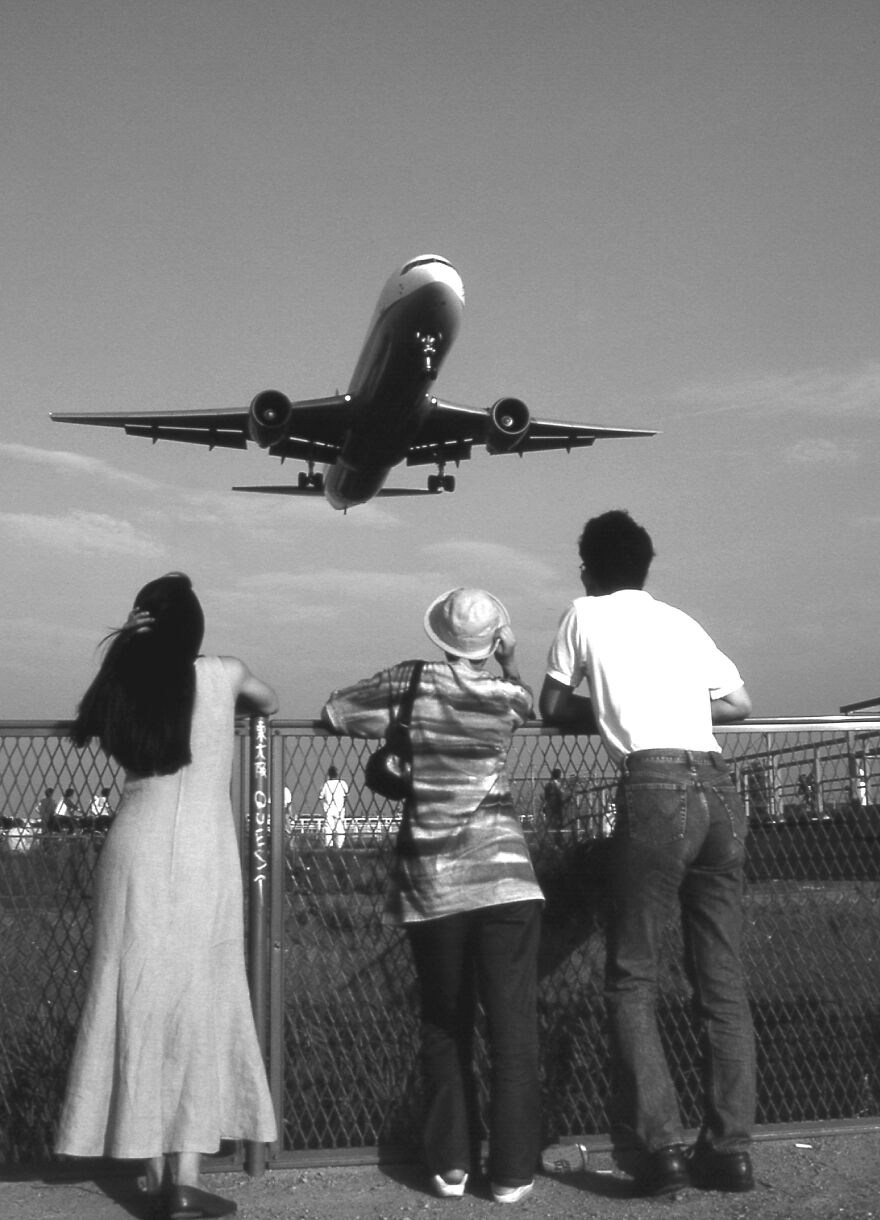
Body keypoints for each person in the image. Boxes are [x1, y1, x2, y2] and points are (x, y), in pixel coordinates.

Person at [540, 510, 755, 1198]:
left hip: (655, 785)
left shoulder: (583, 614)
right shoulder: (682, 623)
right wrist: (678, 702)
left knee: (633, 974)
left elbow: (550, 705)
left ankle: (658, 1149)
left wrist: (610, 707)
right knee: (719, 979)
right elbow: (741, 705)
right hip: (718, 787)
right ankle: (730, 1152)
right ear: (647, 566)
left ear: (587, 569)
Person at [56, 573, 278, 1220]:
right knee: (202, 998)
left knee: (134, 994)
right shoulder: (223, 672)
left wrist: (132, 643)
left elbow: (93, 718)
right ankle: (184, 1176)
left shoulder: (125, 679)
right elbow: (269, 699)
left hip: (136, 842)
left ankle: (148, 1169)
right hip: (207, 850)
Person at [321, 588, 543, 1204]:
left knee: (445, 1022)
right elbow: (525, 696)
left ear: (440, 636)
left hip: (434, 880)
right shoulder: (510, 698)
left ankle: (450, 1165)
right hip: (507, 878)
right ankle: (512, 1171)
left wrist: (403, 722)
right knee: (512, 1025)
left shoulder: (412, 681)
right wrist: (512, 662)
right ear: (495, 639)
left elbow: (337, 711)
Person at [318, 765, 349, 848]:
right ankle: (340, 846)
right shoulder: (342, 783)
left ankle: (328, 846)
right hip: (339, 809)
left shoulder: (326, 784)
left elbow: (321, 797)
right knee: (340, 828)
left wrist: (324, 808)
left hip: (328, 809)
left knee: (328, 828)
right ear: (337, 774)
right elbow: (346, 797)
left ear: (329, 774)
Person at [542, 768, 566, 847]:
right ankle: (557, 843)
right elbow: (562, 794)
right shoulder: (557, 784)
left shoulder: (548, 784)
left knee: (551, 825)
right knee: (557, 825)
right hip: (556, 808)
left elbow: (545, 796)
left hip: (550, 807)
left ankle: (552, 843)